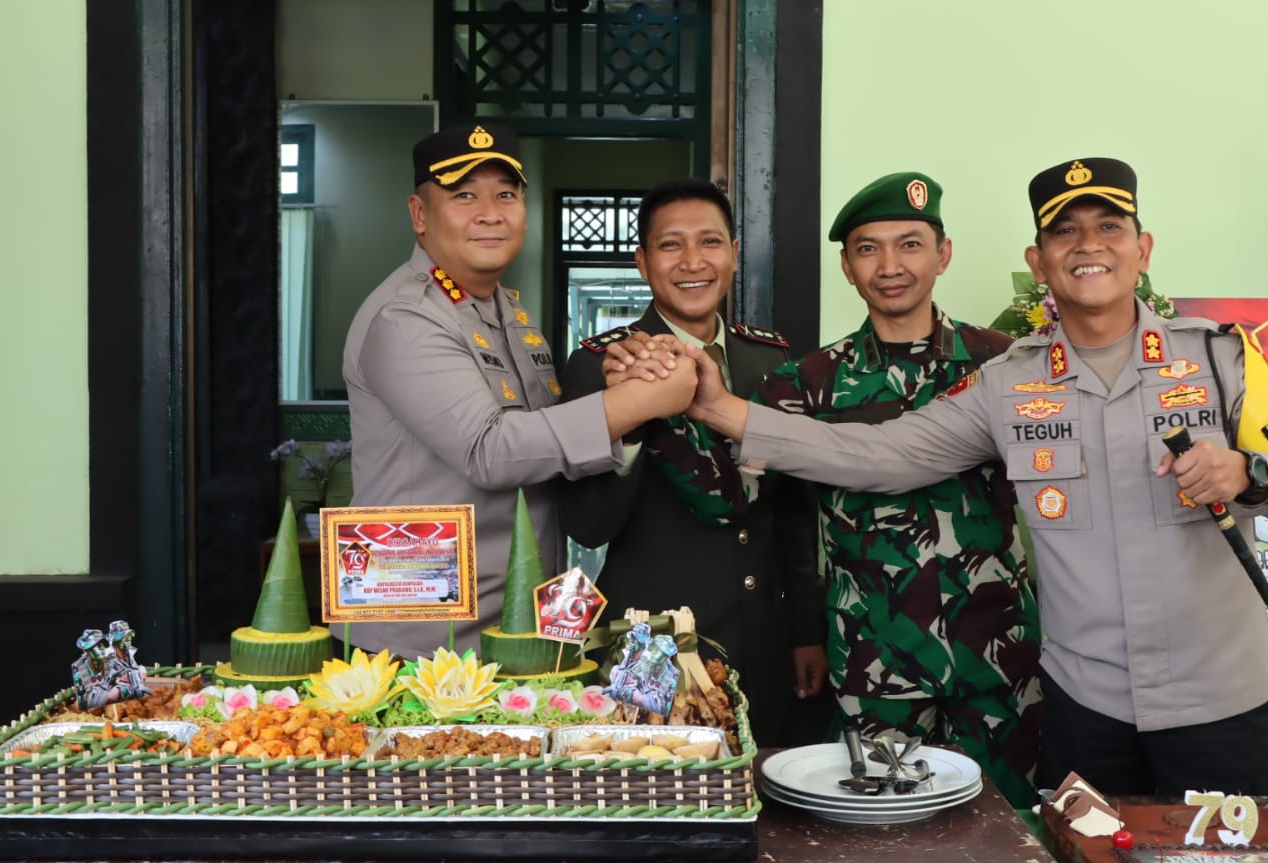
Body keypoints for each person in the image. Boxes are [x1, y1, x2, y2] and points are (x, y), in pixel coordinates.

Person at [676, 157, 1268, 797]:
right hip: (1086, 708)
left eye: (1108, 227)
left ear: (1142, 249)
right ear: (1038, 261)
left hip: (1219, 700)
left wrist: (1246, 471)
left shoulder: (1223, 357)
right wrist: (720, 409)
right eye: (1064, 231)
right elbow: (878, 455)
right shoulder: (1007, 381)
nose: (1088, 245)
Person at [618, 173, 1042, 801]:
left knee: (1014, 826)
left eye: (911, 245)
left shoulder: (1004, 363)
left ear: (943, 254)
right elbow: (729, 499)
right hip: (876, 658)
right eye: (868, 249)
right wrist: (652, 401)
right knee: (879, 838)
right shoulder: (805, 384)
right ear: (846, 266)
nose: (891, 266)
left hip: (997, 650)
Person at [340, 122, 698, 661]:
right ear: (419, 214)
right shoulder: (406, 316)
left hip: (515, 620)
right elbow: (491, 451)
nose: (490, 212)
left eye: (506, 194)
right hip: (426, 637)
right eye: (464, 196)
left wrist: (622, 383)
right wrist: (635, 403)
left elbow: (544, 440)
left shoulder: (505, 308)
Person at [559, 178, 827, 747]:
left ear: (732, 254)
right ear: (641, 262)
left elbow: (797, 514)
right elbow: (587, 524)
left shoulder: (772, 357)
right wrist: (629, 414)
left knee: (768, 788)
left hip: (764, 628)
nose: (692, 262)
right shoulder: (599, 366)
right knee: (654, 789)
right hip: (649, 637)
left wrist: (806, 630)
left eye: (709, 242)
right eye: (670, 245)